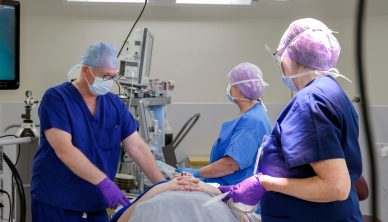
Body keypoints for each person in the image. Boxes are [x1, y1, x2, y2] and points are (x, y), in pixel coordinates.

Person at [219, 18, 363, 221]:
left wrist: (264, 183)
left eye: (279, 56)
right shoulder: (332, 92)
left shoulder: (310, 102)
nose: (280, 64)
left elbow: (335, 187)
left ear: (293, 55)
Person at [30, 42, 165, 222]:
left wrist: (163, 186)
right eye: (105, 76)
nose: (108, 81)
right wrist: (103, 182)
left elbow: (137, 147)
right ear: (86, 70)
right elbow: (64, 150)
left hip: (96, 204)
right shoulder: (56, 98)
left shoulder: (114, 104)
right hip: (57, 202)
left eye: (113, 77)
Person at [176, 62, 272, 186]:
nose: (229, 88)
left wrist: (197, 173)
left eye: (231, 85)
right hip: (228, 187)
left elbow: (231, 165)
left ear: (239, 89)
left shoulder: (252, 121)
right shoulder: (253, 115)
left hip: (235, 195)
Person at [112, 173, 256, 222]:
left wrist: (212, 190)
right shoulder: (159, 189)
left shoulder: (211, 190)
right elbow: (121, 219)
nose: (184, 176)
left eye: (189, 175)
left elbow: (243, 217)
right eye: (179, 175)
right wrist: (161, 187)